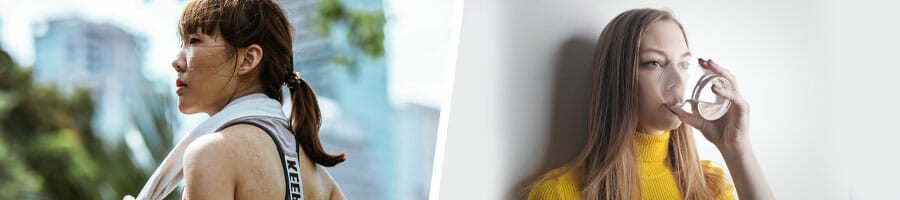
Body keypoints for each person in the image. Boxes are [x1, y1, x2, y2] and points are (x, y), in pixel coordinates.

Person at [528, 8, 774, 200]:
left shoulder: (711, 184)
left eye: (684, 64)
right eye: (655, 63)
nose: (678, 80)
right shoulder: (560, 193)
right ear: (618, 78)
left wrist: (737, 150)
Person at [126, 0, 346, 199]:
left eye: (194, 41)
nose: (176, 61)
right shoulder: (321, 181)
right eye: (181, 43)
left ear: (247, 59)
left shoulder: (210, 154)